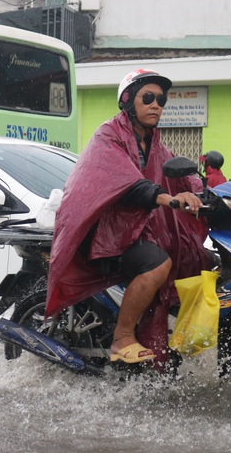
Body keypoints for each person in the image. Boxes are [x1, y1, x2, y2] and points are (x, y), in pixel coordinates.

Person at [45, 69, 210, 368]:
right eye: (148, 97)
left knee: (195, 255)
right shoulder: (108, 135)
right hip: (104, 235)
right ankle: (122, 339)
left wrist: (211, 195)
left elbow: (184, 179)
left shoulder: (155, 144)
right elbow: (126, 180)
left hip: (137, 232)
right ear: (127, 101)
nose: (156, 104)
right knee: (158, 265)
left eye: (161, 99)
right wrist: (168, 198)